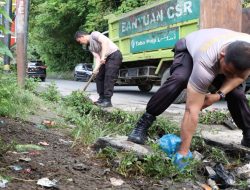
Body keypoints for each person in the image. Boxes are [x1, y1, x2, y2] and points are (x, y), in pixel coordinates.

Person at [127, 28, 250, 168]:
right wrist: (183, 152)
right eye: (227, 72)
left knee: (237, 94)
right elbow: (192, 110)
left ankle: (248, 133)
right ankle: (144, 122)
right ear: (222, 55)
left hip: (226, 57)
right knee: (180, 78)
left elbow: (239, 77)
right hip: (189, 49)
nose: (228, 77)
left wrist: (218, 95)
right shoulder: (206, 60)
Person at [75, 31, 123, 107]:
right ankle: (101, 98)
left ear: (82, 37)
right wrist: (96, 69)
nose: (81, 43)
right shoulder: (91, 47)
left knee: (109, 77)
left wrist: (103, 56)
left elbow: (105, 42)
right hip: (104, 59)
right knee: (99, 77)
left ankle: (107, 101)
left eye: (79, 41)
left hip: (114, 55)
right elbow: (97, 58)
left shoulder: (94, 34)